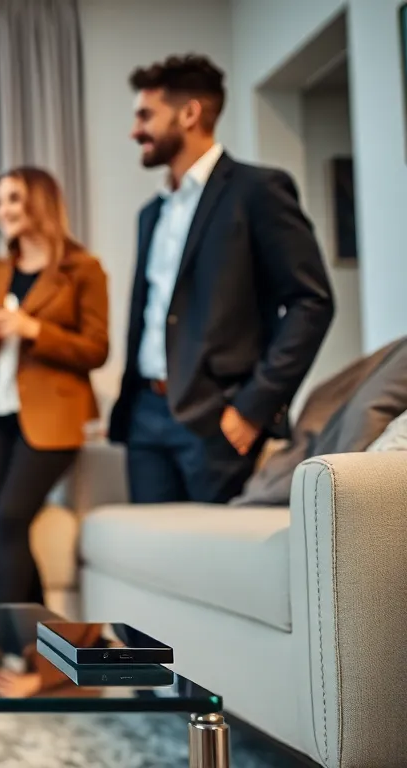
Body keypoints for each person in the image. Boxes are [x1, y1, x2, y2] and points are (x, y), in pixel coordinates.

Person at [107, 54, 334, 504]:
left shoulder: (257, 191)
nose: (134, 131)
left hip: (216, 420)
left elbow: (311, 302)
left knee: (214, 547)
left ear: (189, 114)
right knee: (146, 546)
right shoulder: (151, 214)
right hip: (145, 417)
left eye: (145, 115)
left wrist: (254, 406)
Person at [0, 167, 109, 605]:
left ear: (40, 202)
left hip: (53, 416)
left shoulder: (83, 269)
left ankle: (7, 635)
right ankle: (37, 631)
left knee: (10, 518)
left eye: (12, 198)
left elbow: (96, 349)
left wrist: (32, 329)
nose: (2, 210)